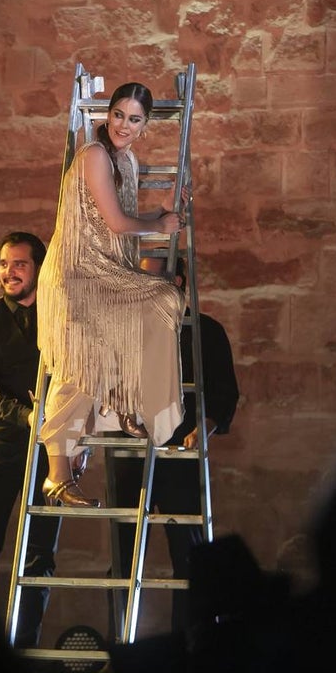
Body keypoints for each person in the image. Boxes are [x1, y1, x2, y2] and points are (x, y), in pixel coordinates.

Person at [35, 81, 187, 509]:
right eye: (118, 114)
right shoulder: (95, 154)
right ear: (108, 115)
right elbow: (119, 224)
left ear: (144, 125)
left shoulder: (127, 159)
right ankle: (57, 475)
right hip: (77, 274)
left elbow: (117, 221)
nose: (124, 124)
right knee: (78, 365)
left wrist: (163, 216)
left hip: (106, 273)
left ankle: (128, 400)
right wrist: (158, 227)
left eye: (134, 119)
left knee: (165, 299)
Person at [110, 259, 239, 635]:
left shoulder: (205, 332)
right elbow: (108, 386)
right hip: (131, 454)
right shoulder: (125, 330)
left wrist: (205, 428)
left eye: (154, 275)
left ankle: (192, 649)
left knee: (190, 558)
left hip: (180, 458)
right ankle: (120, 647)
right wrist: (121, 417)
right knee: (123, 559)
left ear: (177, 280)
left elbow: (224, 394)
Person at [0, 231, 59, 649]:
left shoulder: (58, 318)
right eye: (4, 263)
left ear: (37, 268)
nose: (9, 271)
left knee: (38, 554)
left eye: (19, 264)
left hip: (47, 449)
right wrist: (26, 415)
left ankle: (24, 651)